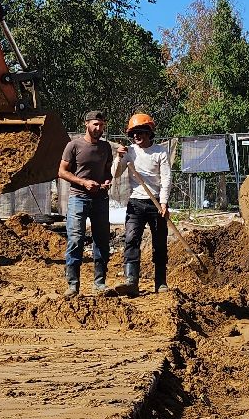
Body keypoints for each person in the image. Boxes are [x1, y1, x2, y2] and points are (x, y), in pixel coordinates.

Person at [57, 110, 115, 296]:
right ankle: (72, 284)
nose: (98, 128)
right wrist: (83, 182)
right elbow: (62, 172)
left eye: (101, 125)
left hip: (100, 199)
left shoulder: (106, 147)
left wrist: (107, 181)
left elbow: (108, 171)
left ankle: (99, 283)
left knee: (101, 240)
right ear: (86, 124)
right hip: (78, 198)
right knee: (75, 239)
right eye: (95, 124)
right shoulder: (74, 145)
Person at [115, 111, 170, 295]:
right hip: (136, 203)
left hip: (156, 203)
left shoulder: (160, 152)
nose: (136, 136)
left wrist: (164, 203)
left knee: (159, 243)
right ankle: (131, 281)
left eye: (140, 132)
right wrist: (119, 158)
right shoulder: (129, 152)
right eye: (133, 133)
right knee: (131, 239)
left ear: (149, 133)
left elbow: (166, 179)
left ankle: (160, 282)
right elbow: (116, 173)